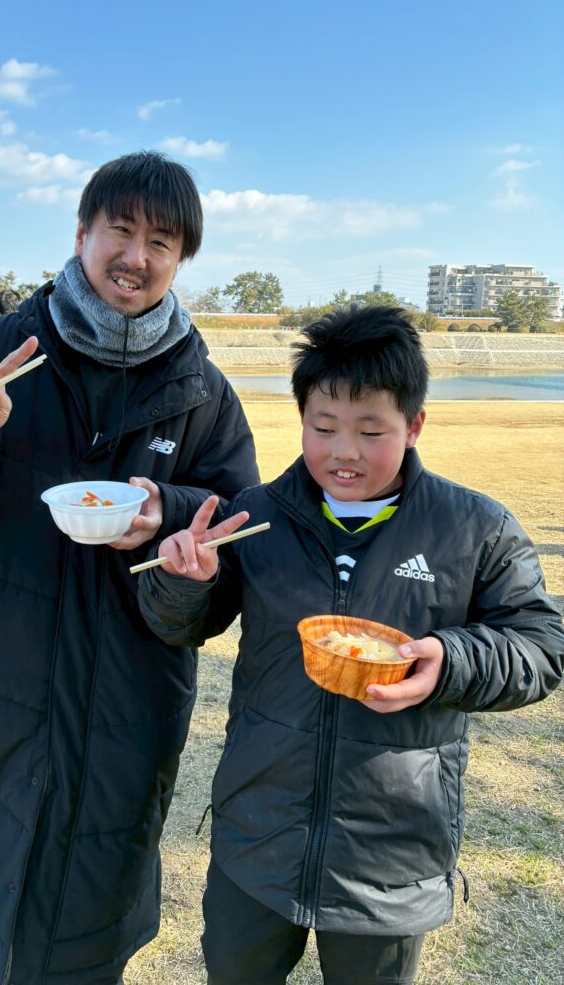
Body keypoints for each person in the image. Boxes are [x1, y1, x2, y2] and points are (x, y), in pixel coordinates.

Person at [0, 151, 260, 985]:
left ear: (181, 259)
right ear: (83, 232)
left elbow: (233, 546)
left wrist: (172, 523)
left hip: (128, 707)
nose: (136, 256)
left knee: (85, 932)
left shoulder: (203, 393)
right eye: (120, 230)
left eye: (161, 242)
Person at [138, 304, 564, 985]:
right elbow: (183, 625)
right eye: (323, 427)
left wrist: (449, 662)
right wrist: (184, 583)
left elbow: (541, 647)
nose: (344, 452)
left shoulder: (474, 528)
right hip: (258, 834)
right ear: (301, 419)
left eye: (371, 431)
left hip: (392, 854)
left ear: (414, 425)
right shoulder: (259, 516)